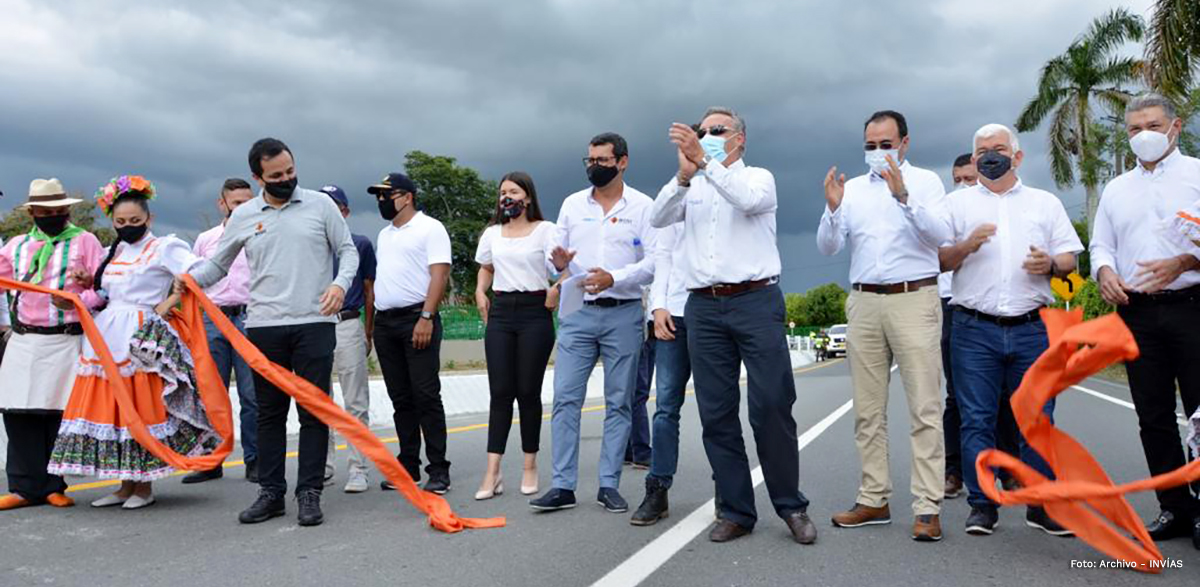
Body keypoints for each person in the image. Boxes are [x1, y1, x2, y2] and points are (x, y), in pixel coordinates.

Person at [652, 107, 817, 545]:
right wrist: (686, 176)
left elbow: (746, 201)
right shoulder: (692, 186)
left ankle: (791, 506)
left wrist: (705, 164)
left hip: (755, 300)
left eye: (716, 131)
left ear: (739, 139)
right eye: (701, 131)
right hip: (703, 307)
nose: (705, 136)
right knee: (716, 414)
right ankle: (736, 510)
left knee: (771, 405)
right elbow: (657, 218)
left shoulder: (758, 177)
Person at [188, 138, 359, 527]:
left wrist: (339, 284)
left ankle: (309, 493)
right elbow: (217, 266)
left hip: (315, 323)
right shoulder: (245, 215)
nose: (286, 179)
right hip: (264, 327)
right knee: (269, 414)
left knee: (314, 411)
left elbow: (347, 251)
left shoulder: (321, 205)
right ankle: (271, 493)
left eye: (290, 171)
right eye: (276, 175)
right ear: (257, 176)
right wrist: (184, 283)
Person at [939, 124, 1082, 536]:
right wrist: (967, 245)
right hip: (973, 329)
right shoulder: (956, 205)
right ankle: (983, 505)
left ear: (1017, 156)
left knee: (1036, 419)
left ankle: (1041, 505)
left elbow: (1069, 258)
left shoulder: (1045, 203)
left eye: (998, 149)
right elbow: (941, 260)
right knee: (976, 420)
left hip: (1030, 328)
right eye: (982, 150)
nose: (990, 156)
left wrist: (1051, 266)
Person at [47, 175, 220, 510]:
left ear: (149, 219)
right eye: (120, 221)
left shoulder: (165, 246)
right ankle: (124, 484)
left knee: (139, 405)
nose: (127, 226)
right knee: (114, 409)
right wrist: (75, 299)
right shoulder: (115, 251)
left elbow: (197, 273)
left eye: (135, 221)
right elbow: (102, 295)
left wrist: (171, 301)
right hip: (106, 333)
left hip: (142, 335)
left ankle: (143, 486)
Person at [817, 110, 949, 542]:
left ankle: (927, 506)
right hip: (864, 301)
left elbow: (939, 236)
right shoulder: (851, 189)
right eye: (870, 146)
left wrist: (904, 197)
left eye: (885, 144)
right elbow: (827, 247)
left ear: (904, 144)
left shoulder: (926, 181)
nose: (878, 152)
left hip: (914, 297)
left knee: (925, 407)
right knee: (868, 410)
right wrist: (834, 210)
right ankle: (874, 497)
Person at [1092, 93, 1200, 550]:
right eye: (1135, 129)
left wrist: (1187, 261)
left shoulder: (1197, 175)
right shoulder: (1117, 189)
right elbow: (1101, 245)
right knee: (1153, 415)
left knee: (1199, 412)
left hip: (1191, 305)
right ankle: (1175, 506)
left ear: (1175, 127)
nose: (1144, 136)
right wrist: (1104, 273)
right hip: (1136, 314)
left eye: (1153, 126)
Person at [529, 132, 657, 514]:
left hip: (623, 312)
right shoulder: (571, 205)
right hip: (579, 312)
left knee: (619, 402)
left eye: (602, 160)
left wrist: (614, 278)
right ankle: (563, 485)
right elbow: (555, 260)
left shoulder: (644, 207)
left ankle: (608, 484)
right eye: (589, 160)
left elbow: (653, 263)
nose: (594, 167)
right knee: (566, 398)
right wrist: (559, 261)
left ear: (622, 161)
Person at [0, 179, 105, 511]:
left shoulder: (85, 241)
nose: (53, 215)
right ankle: (22, 487)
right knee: (17, 412)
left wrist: (76, 300)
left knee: (56, 414)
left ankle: (52, 485)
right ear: (32, 212)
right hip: (24, 338)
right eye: (45, 211)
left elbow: (103, 290)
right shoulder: (15, 245)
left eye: (58, 210)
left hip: (64, 339)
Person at [473, 171, 558, 500]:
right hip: (501, 312)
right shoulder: (492, 233)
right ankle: (492, 472)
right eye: (502, 193)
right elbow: (486, 267)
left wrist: (556, 290)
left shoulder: (545, 231)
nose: (506, 198)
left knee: (527, 391)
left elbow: (563, 268)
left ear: (528, 197)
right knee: (500, 392)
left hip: (535, 312)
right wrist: (481, 291)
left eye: (513, 192)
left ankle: (529, 466)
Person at [370, 172, 453, 495]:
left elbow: (439, 275)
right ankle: (408, 466)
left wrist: (426, 317)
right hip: (386, 323)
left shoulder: (430, 228)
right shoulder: (384, 235)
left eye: (386, 195)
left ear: (407, 197)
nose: (381, 201)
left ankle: (438, 469)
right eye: (378, 196)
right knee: (401, 398)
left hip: (417, 318)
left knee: (426, 395)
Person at [183, 178, 259, 484]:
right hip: (212, 319)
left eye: (248, 201)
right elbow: (194, 277)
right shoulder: (206, 239)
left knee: (251, 395)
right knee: (211, 395)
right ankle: (211, 461)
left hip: (248, 318)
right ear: (223, 204)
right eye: (237, 202)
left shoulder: (259, 233)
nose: (243, 207)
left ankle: (255, 460)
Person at [629, 221, 691, 526]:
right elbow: (662, 257)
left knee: (717, 407)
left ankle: (728, 490)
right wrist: (658, 308)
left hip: (713, 313)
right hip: (672, 315)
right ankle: (657, 489)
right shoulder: (673, 197)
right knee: (665, 407)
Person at [318, 185, 377, 494]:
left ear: (344, 211)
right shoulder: (311, 245)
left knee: (354, 400)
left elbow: (369, 291)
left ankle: (358, 468)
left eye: (334, 204)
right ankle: (323, 466)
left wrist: (369, 333)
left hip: (348, 323)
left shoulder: (360, 244)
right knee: (319, 400)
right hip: (315, 326)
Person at [625, 296, 654, 469]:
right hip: (641, 326)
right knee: (638, 393)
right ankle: (641, 451)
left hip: (649, 325)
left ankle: (628, 449)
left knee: (635, 392)